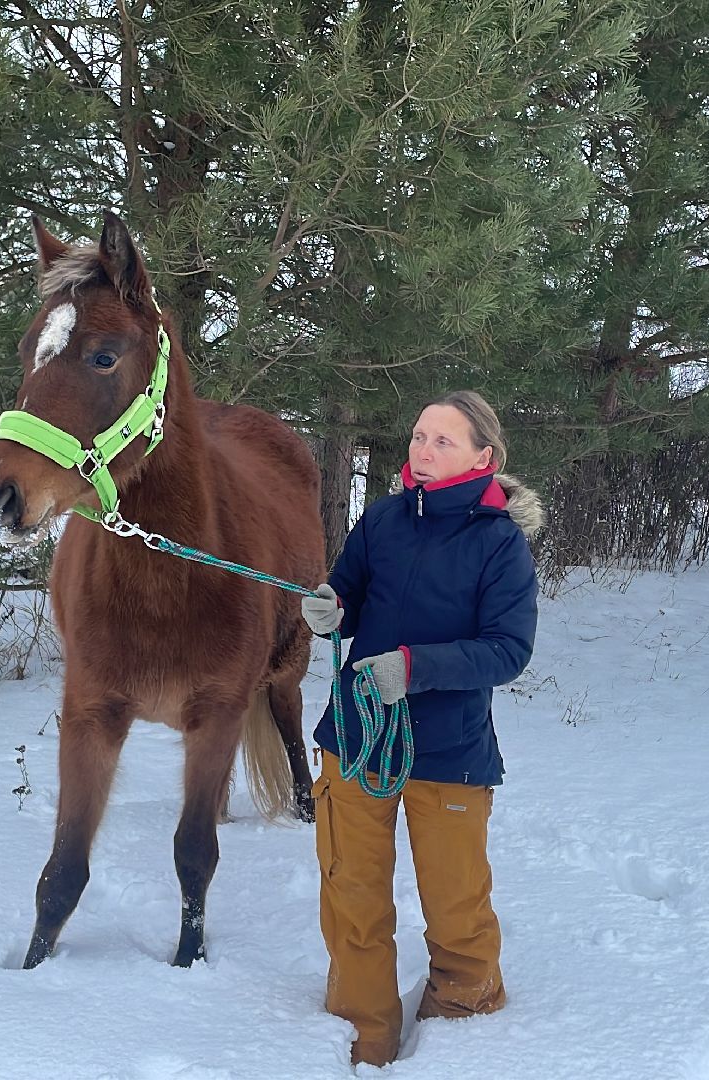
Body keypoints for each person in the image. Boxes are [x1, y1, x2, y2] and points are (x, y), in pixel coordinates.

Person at [300, 390, 542, 1068]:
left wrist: (415, 669)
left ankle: (464, 1020)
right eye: (417, 438)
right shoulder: (381, 520)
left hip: (448, 750)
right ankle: (360, 1029)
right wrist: (330, 609)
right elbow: (346, 595)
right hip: (354, 736)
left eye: (442, 441)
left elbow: (507, 650)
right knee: (351, 893)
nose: (423, 452)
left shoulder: (500, 545)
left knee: (456, 902)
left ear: (483, 457)